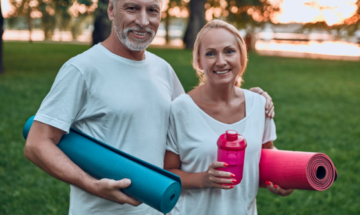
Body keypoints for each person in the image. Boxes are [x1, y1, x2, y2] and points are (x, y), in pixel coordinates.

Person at [24, 1, 274, 215]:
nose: (143, 21)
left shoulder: (162, 69)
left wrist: (245, 97)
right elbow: (38, 144)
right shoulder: (82, 69)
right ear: (111, 10)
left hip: (161, 206)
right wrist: (91, 184)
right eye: (132, 8)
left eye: (152, 11)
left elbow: (195, 113)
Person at [164, 20, 293, 215]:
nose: (221, 61)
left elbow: (267, 155)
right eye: (210, 53)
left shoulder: (259, 106)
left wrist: (280, 178)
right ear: (198, 61)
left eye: (229, 51)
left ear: (242, 55)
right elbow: (167, 173)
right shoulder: (179, 109)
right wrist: (203, 179)